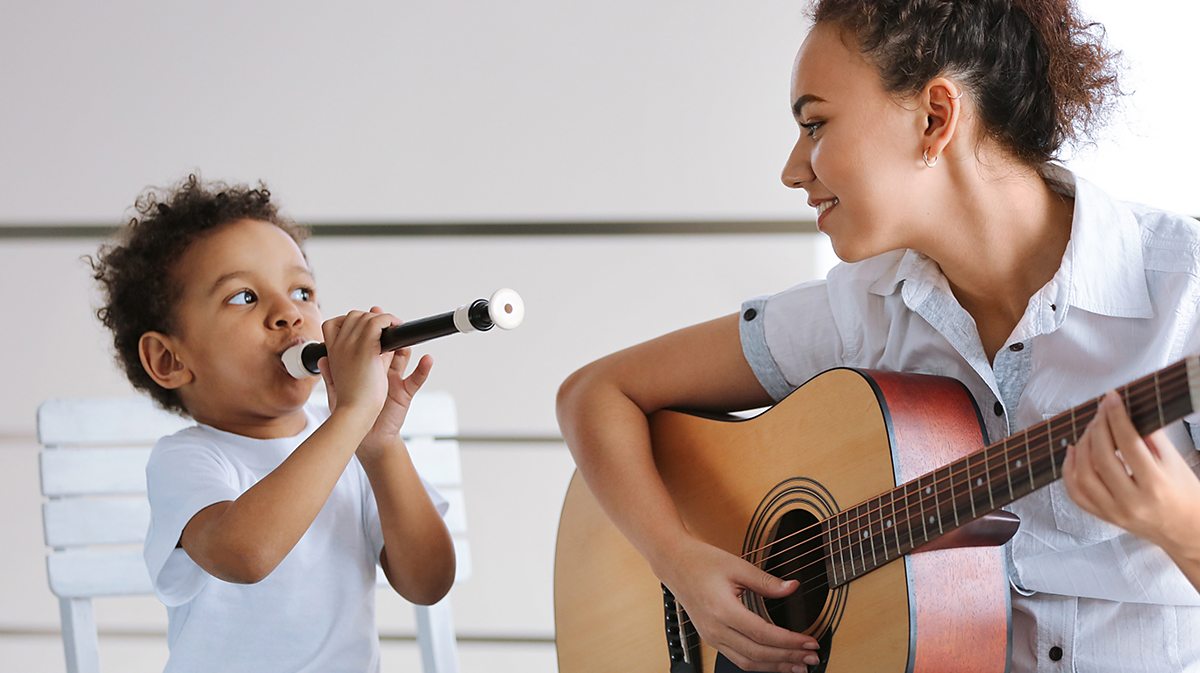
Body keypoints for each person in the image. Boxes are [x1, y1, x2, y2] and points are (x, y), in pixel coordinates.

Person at [556, 1, 1200, 671]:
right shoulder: (861, 308)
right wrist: (680, 560)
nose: (792, 169)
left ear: (934, 118)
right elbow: (596, 392)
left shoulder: (1185, 290)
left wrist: (1180, 522)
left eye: (815, 125)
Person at [89, 175, 456, 673]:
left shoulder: (355, 444)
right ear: (169, 359)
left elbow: (429, 582)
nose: (288, 314)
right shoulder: (189, 459)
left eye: (302, 291)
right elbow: (247, 555)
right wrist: (350, 417)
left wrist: (381, 445)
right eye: (243, 297)